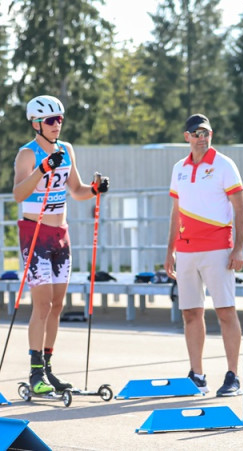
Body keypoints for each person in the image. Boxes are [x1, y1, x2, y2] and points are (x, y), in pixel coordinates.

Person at [12, 95, 110, 394]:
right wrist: (42, 169)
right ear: (36, 123)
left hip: (60, 234)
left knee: (58, 305)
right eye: (51, 121)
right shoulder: (27, 154)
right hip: (35, 232)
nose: (57, 125)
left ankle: (49, 369)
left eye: (60, 120)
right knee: (41, 305)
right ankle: (35, 372)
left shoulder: (66, 150)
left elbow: (77, 190)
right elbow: (18, 193)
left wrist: (95, 190)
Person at [164, 113, 243, 396]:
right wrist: (170, 251)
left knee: (225, 311)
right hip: (186, 251)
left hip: (218, 248)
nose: (202, 138)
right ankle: (197, 375)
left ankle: (233, 375)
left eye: (207, 133)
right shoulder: (178, 168)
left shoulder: (224, 165)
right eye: (197, 133)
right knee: (190, 312)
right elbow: (176, 212)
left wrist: (238, 247)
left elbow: (240, 208)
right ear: (186, 137)